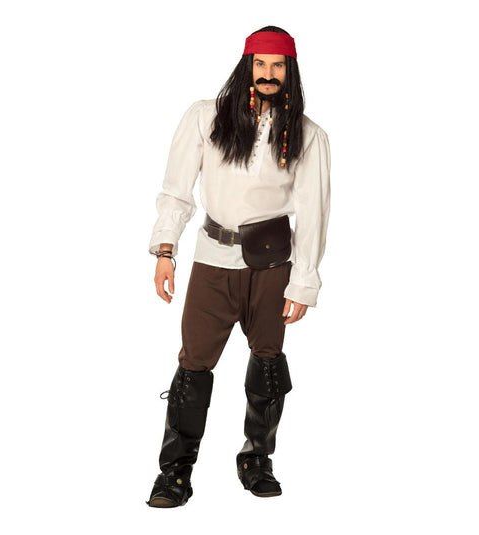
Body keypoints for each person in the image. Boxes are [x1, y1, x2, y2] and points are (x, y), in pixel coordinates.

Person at [146, 25, 331, 508]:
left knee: (268, 364)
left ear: (289, 71)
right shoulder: (205, 117)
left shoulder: (308, 135)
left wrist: (303, 282)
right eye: (260, 64)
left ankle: (256, 458)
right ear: (247, 66)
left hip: (272, 267)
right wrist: (166, 250)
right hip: (212, 260)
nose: (268, 74)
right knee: (193, 365)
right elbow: (176, 189)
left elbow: (313, 214)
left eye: (278, 65)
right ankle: (175, 470)